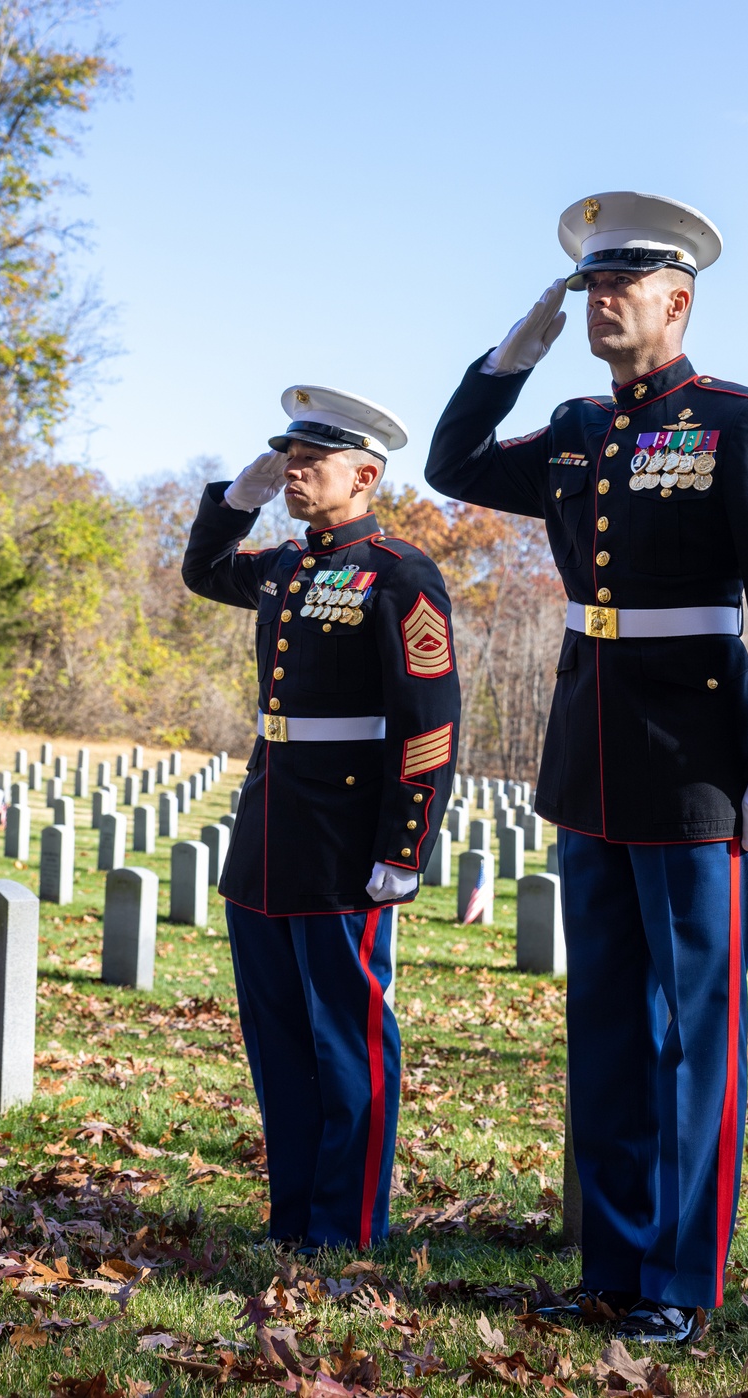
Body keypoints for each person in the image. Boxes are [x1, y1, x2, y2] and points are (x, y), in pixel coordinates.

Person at [425, 192, 748, 1343]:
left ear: (677, 300)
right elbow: (452, 463)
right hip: (591, 751)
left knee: (691, 1029)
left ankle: (678, 1282)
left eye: (623, 285)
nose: (602, 300)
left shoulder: (743, 425)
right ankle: (610, 1265)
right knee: (606, 1022)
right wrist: (507, 361)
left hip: (699, 760)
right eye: (588, 286)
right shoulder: (570, 426)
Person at [183, 385, 460, 1251]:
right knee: (277, 1041)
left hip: (346, 838)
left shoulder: (400, 572)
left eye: (312, 461)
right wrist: (239, 498)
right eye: (290, 458)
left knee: (348, 1042)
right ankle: (293, 1216)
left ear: (365, 474)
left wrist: (405, 845)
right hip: (270, 827)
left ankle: (344, 1231)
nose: (296, 472)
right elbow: (199, 570)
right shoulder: (282, 567)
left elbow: (430, 720)